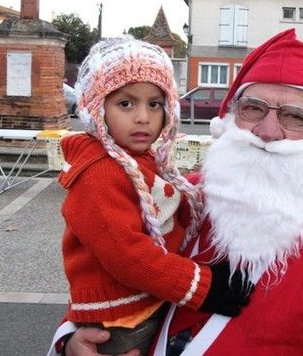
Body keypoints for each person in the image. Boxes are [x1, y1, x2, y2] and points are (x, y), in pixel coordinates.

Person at [60, 29, 303, 355]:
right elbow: (110, 271)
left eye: (295, 117)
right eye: (253, 108)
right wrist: (73, 341)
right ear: (230, 117)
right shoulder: (185, 197)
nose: (267, 131)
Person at [52, 36, 250, 355]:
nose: (143, 116)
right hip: (121, 323)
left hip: (142, 305)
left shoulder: (142, 161)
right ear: (96, 109)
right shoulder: (99, 174)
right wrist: (203, 287)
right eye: (126, 103)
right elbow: (128, 256)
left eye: (154, 104)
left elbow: (169, 205)